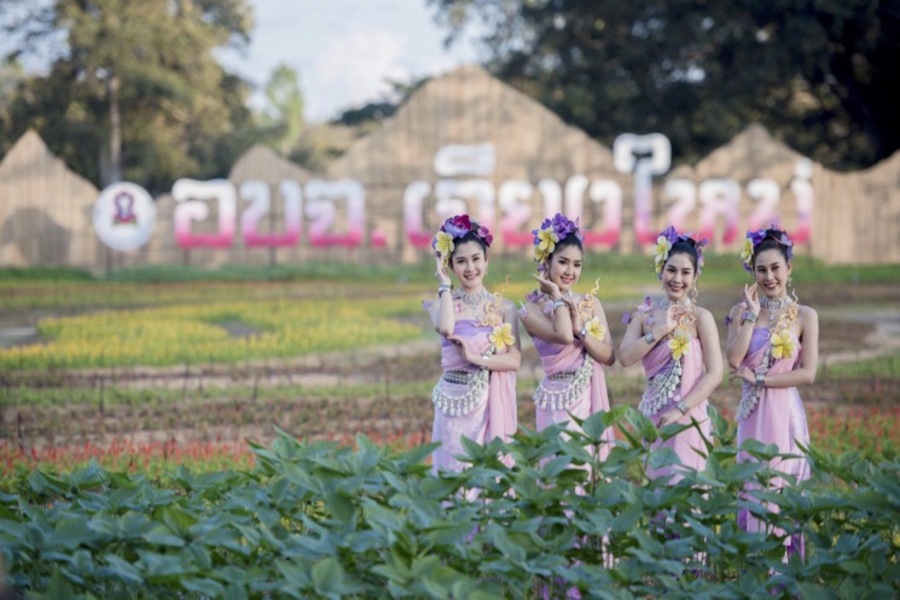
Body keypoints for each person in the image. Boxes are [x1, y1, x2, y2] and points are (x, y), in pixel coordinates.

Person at [726, 226, 817, 559]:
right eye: (760, 269)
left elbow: (807, 374)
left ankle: (786, 579)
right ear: (752, 271)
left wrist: (760, 379)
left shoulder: (806, 316)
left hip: (786, 414)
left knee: (783, 489)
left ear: (789, 268)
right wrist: (752, 314)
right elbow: (733, 360)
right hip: (751, 415)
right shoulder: (741, 312)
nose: (768, 277)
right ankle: (755, 575)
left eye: (775, 268)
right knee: (753, 487)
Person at [619, 226, 723, 480]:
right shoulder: (645, 317)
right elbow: (625, 357)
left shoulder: (702, 318)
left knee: (687, 490)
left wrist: (680, 409)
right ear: (661, 270)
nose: (677, 279)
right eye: (671, 270)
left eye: (686, 272)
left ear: (695, 276)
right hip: (654, 416)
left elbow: (716, 373)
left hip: (690, 414)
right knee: (657, 489)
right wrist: (660, 329)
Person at [425, 214, 521, 474]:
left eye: (476, 259)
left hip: (488, 406)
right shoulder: (440, 305)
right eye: (461, 261)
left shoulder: (504, 308)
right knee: (450, 472)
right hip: (451, 406)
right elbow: (446, 328)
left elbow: (514, 360)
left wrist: (476, 358)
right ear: (450, 265)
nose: (470, 268)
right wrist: (443, 283)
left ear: (487, 260)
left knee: (484, 479)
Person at [519, 213, 616, 459]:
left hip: (587, 399)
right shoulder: (530, 309)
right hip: (555, 403)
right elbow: (562, 335)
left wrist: (582, 331)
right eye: (563, 262)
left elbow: (609, 356)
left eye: (577, 264)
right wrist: (555, 295)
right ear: (546, 261)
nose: (570, 271)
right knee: (560, 471)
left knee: (586, 470)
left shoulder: (590, 303)